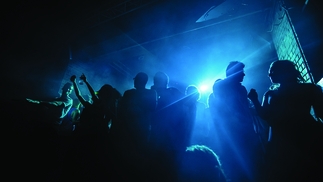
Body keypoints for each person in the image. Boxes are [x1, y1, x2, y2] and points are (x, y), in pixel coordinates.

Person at [248, 60, 323, 181]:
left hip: (284, 139)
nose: (269, 74)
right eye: (269, 72)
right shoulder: (309, 89)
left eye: (272, 71)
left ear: (284, 71)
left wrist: (255, 100)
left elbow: (265, 115)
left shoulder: (271, 94)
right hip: (304, 134)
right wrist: (255, 100)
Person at [210, 61, 265, 182]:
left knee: (250, 163)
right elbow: (221, 109)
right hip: (231, 133)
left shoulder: (241, 88)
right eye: (242, 72)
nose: (244, 75)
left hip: (245, 130)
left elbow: (244, 108)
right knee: (236, 165)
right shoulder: (221, 86)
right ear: (234, 72)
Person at [112, 72, 157, 180]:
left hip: (132, 129)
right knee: (136, 155)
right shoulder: (151, 93)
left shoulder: (130, 93)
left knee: (130, 155)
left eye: (135, 79)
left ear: (138, 80)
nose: (134, 81)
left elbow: (121, 111)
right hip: (141, 129)